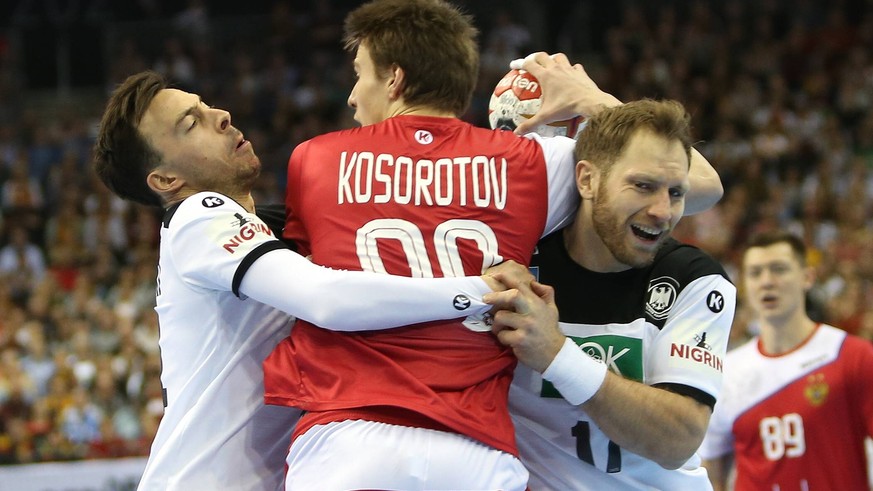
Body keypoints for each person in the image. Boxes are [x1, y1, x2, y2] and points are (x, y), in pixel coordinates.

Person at [261, 2, 723, 490]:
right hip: (476, 450)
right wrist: (594, 99)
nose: (353, 96)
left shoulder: (314, 160)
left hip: (347, 433)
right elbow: (699, 183)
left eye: (360, 74)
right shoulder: (533, 164)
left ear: (394, 79)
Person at [92, 70, 531, 490]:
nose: (220, 115)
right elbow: (325, 298)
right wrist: (484, 291)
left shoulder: (271, 228)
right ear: (167, 180)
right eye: (192, 123)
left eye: (205, 105)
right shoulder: (195, 217)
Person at [485, 96, 737, 490]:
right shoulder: (515, 265)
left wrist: (556, 354)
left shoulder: (694, 279)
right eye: (643, 186)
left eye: (675, 192)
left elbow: (678, 439)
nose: (663, 211)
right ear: (587, 180)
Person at [699, 231, 873, 491]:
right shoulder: (725, 371)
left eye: (779, 269)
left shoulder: (851, 355)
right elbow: (712, 468)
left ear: (807, 277)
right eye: (756, 273)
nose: (767, 281)